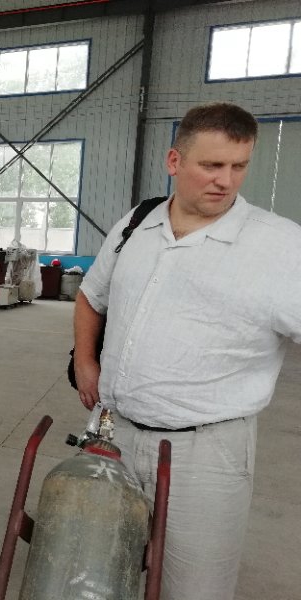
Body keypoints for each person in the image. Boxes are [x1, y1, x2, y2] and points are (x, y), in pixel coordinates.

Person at [73, 102, 301, 600]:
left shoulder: (283, 248)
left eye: (239, 166)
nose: (226, 180)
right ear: (174, 161)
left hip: (206, 452)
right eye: (212, 165)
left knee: (193, 586)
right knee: (95, 570)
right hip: (112, 431)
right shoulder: (137, 223)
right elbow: (92, 295)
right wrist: (86, 362)